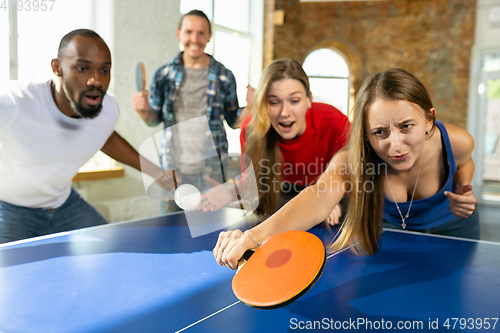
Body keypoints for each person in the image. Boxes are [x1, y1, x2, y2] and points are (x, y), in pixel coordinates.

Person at [214, 68, 479, 270]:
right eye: (380, 132)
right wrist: (252, 237)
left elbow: (464, 162)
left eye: (406, 126)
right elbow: (318, 196)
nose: (395, 144)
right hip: (389, 233)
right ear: (365, 132)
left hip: (453, 230)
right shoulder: (353, 161)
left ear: (429, 119)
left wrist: (461, 187)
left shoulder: (455, 142)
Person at [0, 29, 172, 244]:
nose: (96, 80)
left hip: (64, 205)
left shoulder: (107, 110)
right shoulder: (15, 102)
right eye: (82, 68)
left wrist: (155, 171)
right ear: (57, 68)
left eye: (104, 70)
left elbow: (105, 137)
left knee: (112, 250)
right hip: (8, 208)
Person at [198, 58, 350, 225]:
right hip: (280, 198)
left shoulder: (336, 123)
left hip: (332, 198)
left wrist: (329, 196)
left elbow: (349, 176)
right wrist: (231, 192)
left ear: (308, 99)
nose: (284, 112)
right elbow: (251, 183)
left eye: (294, 101)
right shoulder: (251, 130)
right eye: (274, 102)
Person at [131, 9, 250, 213]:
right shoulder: (163, 75)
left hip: (212, 172)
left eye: (201, 33)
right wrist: (142, 111)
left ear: (209, 36)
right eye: (189, 32)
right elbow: (153, 119)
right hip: (172, 173)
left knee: (211, 235)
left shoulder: (225, 76)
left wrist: (253, 106)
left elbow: (234, 120)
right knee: (170, 236)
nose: (195, 39)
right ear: (179, 34)